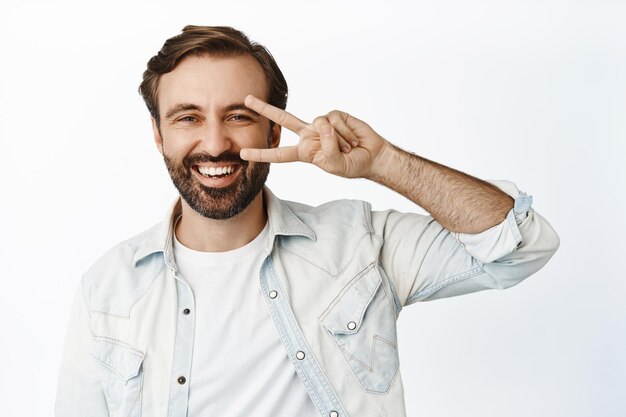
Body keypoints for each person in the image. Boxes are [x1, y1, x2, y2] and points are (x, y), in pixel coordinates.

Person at [55, 25, 559, 417]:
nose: (213, 144)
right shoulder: (108, 290)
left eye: (238, 115)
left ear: (275, 131)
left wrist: (383, 161)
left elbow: (521, 244)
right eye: (187, 117)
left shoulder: (359, 246)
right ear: (158, 133)